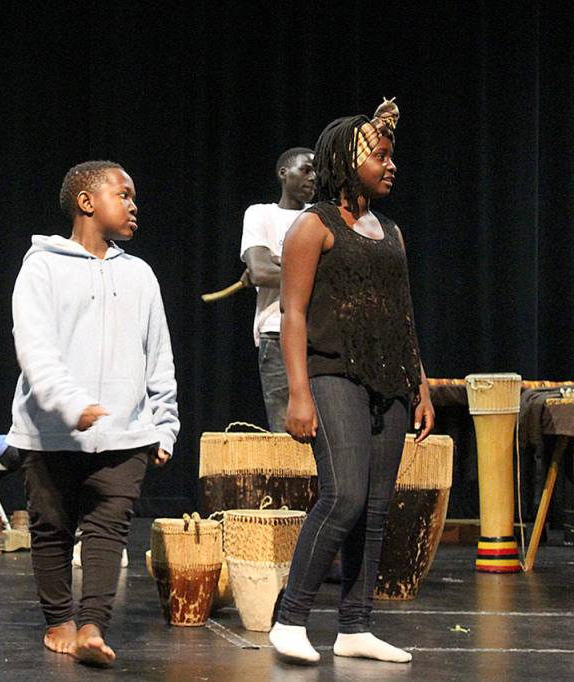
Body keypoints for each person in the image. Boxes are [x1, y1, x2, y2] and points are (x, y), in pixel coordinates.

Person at [269, 99, 435, 664]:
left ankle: (355, 626)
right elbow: (292, 313)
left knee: (377, 506)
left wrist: (420, 386)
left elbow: (403, 315)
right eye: (380, 156)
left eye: (391, 156)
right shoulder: (313, 226)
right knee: (344, 496)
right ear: (346, 159)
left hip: (389, 380)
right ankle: (290, 618)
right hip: (332, 372)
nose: (391, 165)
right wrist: (298, 392)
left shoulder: (391, 232)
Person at [7, 161, 179, 666]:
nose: (133, 205)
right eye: (123, 194)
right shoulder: (41, 267)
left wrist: (164, 425)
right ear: (86, 202)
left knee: (108, 530)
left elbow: (159, 356)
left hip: (124, 432)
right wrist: (71, 404)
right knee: (52, 527)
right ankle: (59, 621)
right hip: (50, 431)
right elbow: (35, 348)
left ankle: (92, 627)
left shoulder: (140, 274)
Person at [239, 147, 315, 431]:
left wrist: (282, 263)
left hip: (321, 334)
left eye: (317, 172)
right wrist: (311, 270)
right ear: (284, 173)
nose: (313, 177)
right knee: (287, 431)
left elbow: (334, 275)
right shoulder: (261, 214)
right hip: (277, 331)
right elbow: (260, 271)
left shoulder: (320, 216)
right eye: (306, 170)